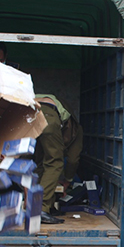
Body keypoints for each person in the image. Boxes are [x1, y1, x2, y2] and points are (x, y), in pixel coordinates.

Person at [34, 94, 83, 224]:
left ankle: (47, 207)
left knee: (39, 164)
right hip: (47, 116)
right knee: (54, 163)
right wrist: (67, 180)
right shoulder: (76, 129)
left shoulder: (39, 96)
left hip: (26, 116)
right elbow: (73, 160)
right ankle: (40, 209)